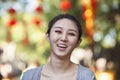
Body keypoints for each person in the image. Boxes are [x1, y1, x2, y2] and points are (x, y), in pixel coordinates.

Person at [21, 14, 96, 80]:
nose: (63, 38)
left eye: (71, 34)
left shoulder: (87, 77)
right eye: (58, 31)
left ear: (78, 42)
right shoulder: (28, 76)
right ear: (48, 36)